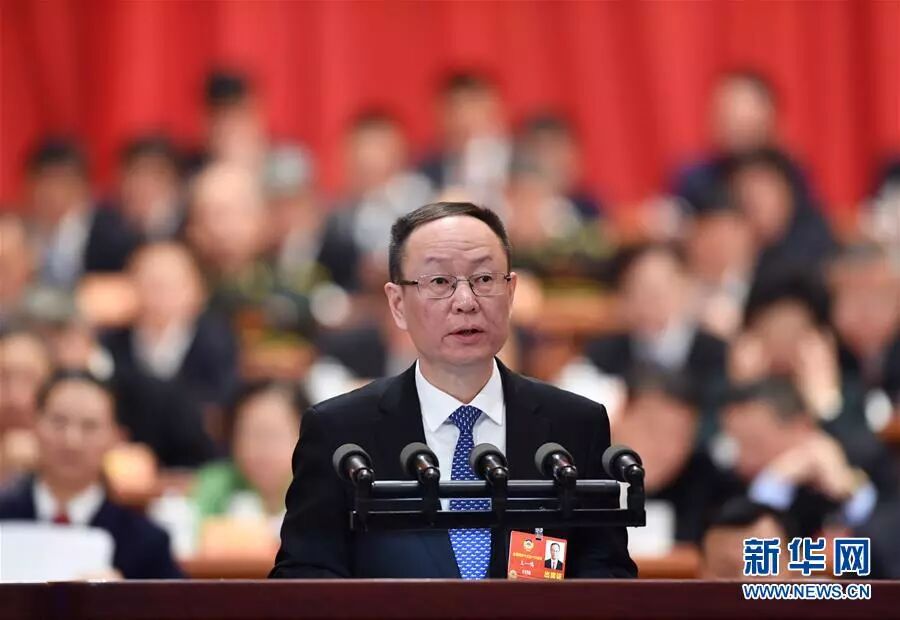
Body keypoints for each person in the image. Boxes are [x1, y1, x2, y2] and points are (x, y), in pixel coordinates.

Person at [270, 202, 636, 579]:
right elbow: (304, 580)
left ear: (511, 292)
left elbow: (606, 579)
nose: (465, 302)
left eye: (484, 279)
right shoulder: (340, 432)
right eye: (440, 282)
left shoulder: (575, 426)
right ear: (397, 303)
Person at [0, 370, 183, 578]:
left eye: (90, 427)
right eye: (59, 422)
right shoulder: (4, 517)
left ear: (116, 438)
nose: (72, 441)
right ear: (34, 424)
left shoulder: (146, 543)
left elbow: (179, 598)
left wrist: (126, 595)